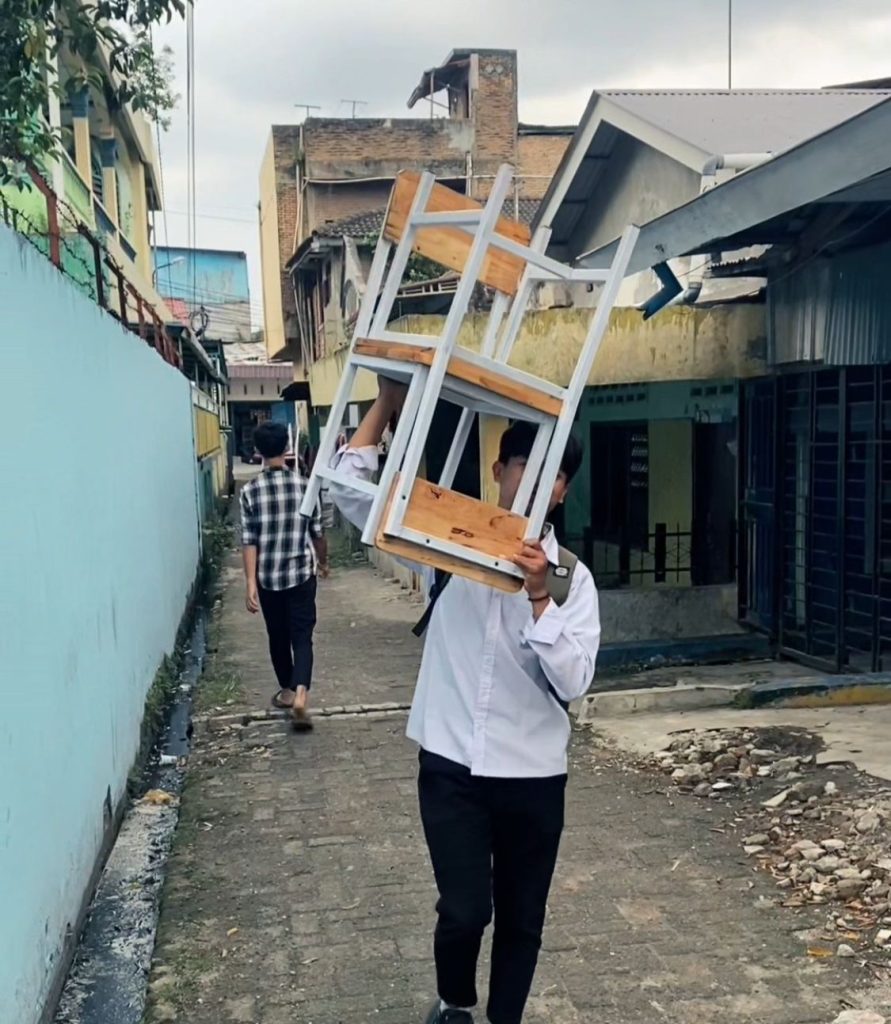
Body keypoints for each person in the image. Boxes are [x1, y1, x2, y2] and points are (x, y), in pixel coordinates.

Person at [328, 379, 600, 1024]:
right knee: (465, 909)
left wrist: (539, 597)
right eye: (523, 465)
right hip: (452, 763)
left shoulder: (572, 579)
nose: (536, 482)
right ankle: (454, 1001)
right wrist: (387, 403)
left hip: (533, 775)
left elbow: (574, 681)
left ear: (562, 492)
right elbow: (348, 492)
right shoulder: (447, 541)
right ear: (498, 472)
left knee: (522, 918)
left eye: (554, 475)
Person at [240, 420, 329, 730]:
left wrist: (250, 582)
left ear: (258, 452)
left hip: (268, 579)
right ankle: (301, 692)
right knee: (302, 636)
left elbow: (249, 540)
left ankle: (288, 692)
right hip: (301, 575)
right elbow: (317, 532)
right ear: (287, 448)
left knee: (278, 636)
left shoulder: (249, 492)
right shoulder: (306, 487)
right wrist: (323, 561)